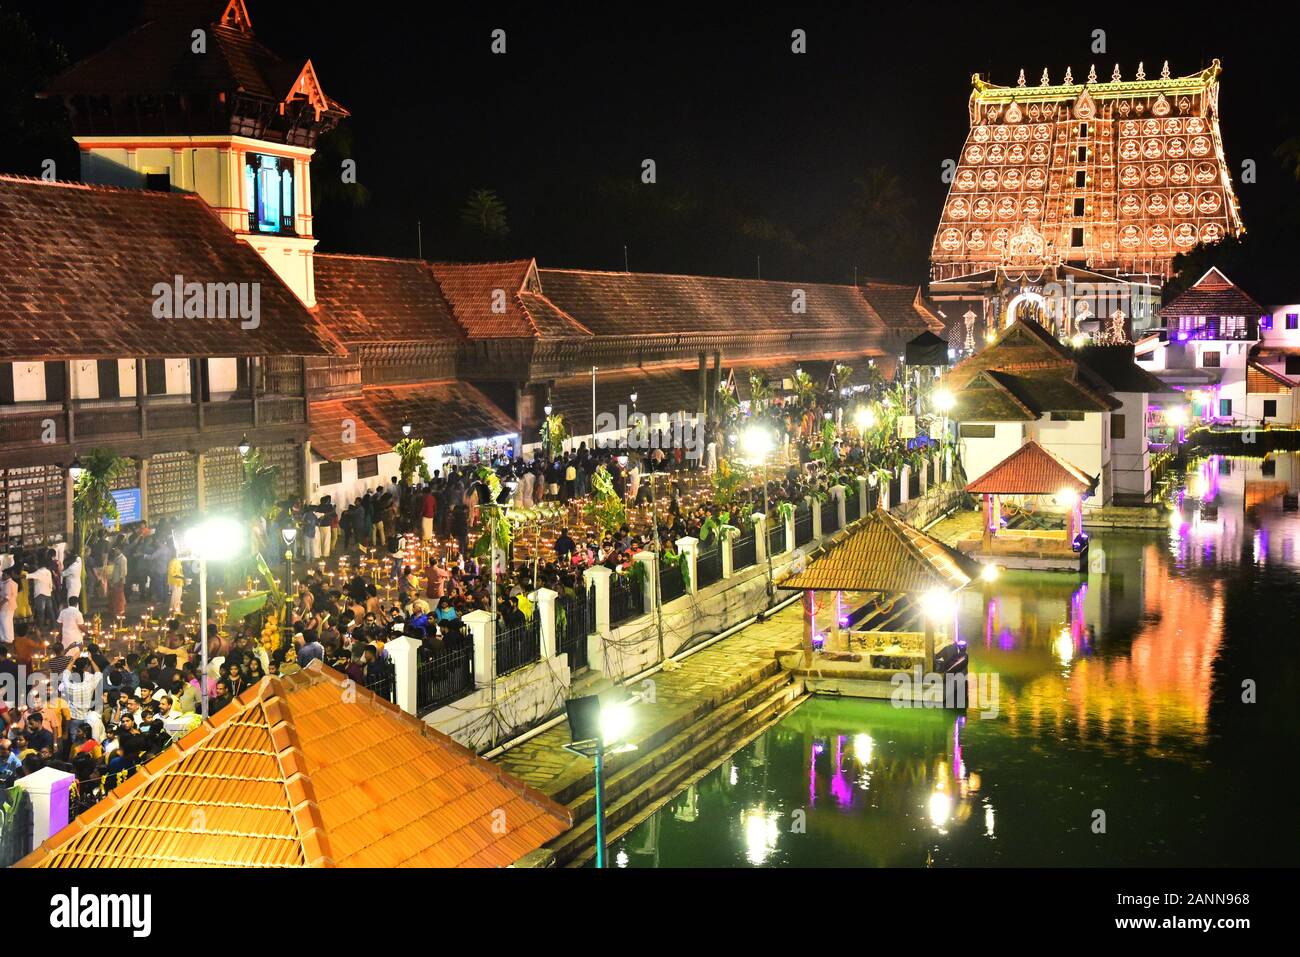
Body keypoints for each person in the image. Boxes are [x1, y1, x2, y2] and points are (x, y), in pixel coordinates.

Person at [0, 568, 16, 644]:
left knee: (5, 623)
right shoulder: (11, 583)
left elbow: (7, 598)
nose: (2, 576)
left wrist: (0, 605)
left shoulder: (8, 584)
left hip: (6, 607)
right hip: (10, 606)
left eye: (3, 575)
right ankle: (9, 638)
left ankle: (6, 639)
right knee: (8, 623)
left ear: (8, 575)